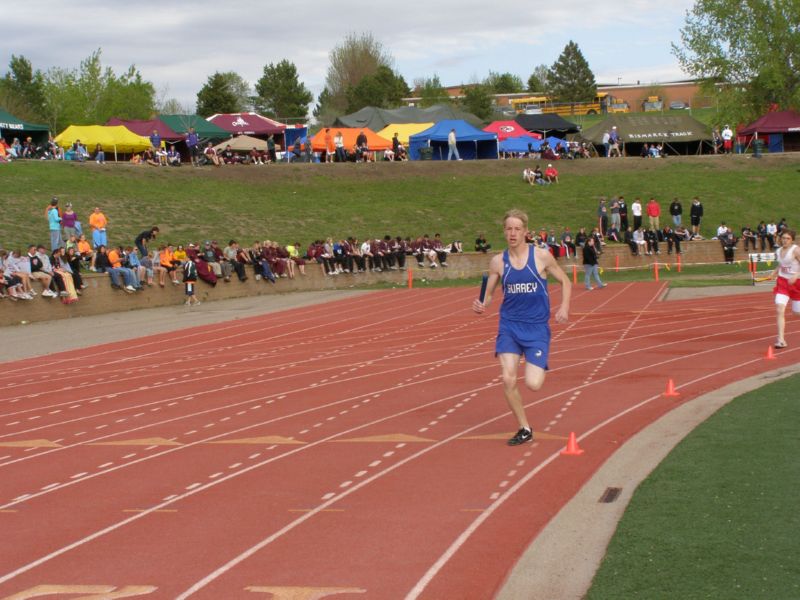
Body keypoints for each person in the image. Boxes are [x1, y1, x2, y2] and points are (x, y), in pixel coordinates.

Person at [472, 209, 572, 446]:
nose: (513, 233)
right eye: (509, 228)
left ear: (526, 232)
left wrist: (564, 307)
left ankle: (535, 359)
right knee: (508, 379)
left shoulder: (541, 256)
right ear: (504, 232)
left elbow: (565, 281)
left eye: (517, 229)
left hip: (537, 328)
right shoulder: (498, 262)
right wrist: (481, 304)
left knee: (533, 384)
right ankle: (524, 428)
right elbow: (488, 296)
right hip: (509, 326)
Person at [771, 230, 800, 349]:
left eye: (788, 238)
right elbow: (782, 264)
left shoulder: (796, 250)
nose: (785, 240)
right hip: (783, 282)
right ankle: (781, 340)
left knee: (796, 313)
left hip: (796, 283)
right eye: (783, 238)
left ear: (792, 240)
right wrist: (775, 271)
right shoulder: (778, 251)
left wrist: (796, 275)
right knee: (779, 309)